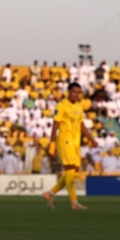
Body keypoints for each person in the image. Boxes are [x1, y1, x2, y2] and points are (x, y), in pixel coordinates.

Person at [43, 82, 98, 210]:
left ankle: (49, 193)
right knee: (70, 172)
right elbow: (55, 125)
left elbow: (82, 125)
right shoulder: (61, 105)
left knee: (73, 174)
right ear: (68, 91)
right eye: (74, 92)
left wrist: (91, 139)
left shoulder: (79, 106)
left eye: (78, 92)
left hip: (75, 143)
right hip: (65, 141)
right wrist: (52, 145)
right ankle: (74, 202)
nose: (76, 94)